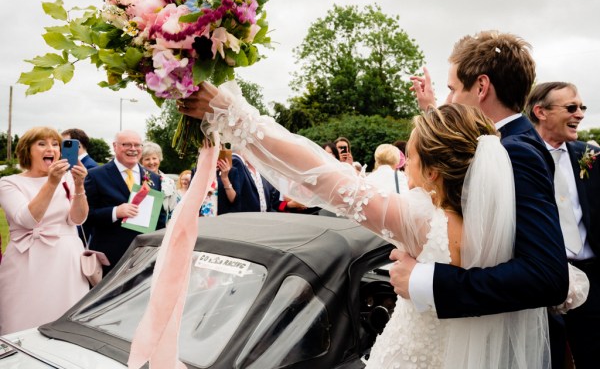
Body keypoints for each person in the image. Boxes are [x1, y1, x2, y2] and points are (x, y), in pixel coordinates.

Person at [178, 83, 566, 367]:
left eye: (410, 158)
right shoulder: (508, 220)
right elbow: (554, 280)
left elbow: (322, 177)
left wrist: (230, 112)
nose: (406, 168)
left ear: (432, 172)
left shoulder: (420, 219)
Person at [405, 31, 570, 368]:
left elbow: (545, 276)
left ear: (481, 87)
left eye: (453, 89)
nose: (449, 101)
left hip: (504, 348)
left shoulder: (514, 153)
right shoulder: (501, 144)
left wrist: (427, 281)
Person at [526, 82, 600, 368]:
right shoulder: (519, 155)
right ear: (540, 112)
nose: (579, 113)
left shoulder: (590, 157)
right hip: (543, 282)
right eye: (571, 107)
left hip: (593, 282)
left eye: (582, 107)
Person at [0, 126, 89, 335]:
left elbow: (78, 218)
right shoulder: (9, 183)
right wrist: (51, 182)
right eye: (42, 144)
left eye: (55, 144)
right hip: (27, 260)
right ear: (27, 151)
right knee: (21, 318)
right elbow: (27, 219)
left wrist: (79, 186)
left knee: (66, 317)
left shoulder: (68, 180)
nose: (50, 148)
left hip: (66, 261)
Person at [84, 130, 165, 274]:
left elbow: (159, 217)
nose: (133, 149)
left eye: (137, 145)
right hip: (109, 256)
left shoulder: (154, 178)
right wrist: (116, 212)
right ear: (115, 146)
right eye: (126, 144)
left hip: (142, 256)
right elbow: (86, 216)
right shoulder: (96, 175)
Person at [216, 148, 280, 214]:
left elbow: (274, 202)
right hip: (246, 218)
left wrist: (287, 205)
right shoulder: (238, 166)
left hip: (267, 218)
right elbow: (234, 200)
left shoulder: (267, 173)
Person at [141, 142, 177, 219]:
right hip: (141, 225)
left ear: (159, 159)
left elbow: (173, 208)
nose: (151, 162)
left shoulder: (169, 182)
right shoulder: (136, 179)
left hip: (163, 226)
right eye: (147, 159)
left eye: (154, 158)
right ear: (141, 161)